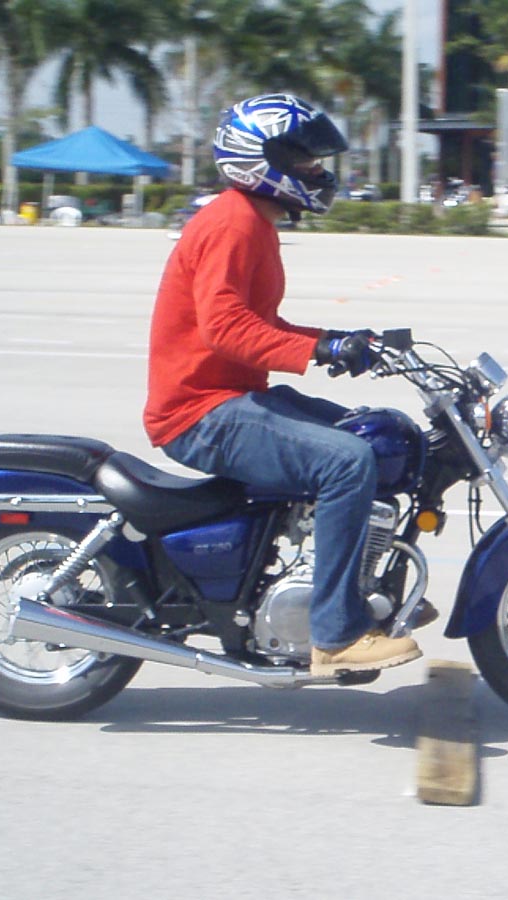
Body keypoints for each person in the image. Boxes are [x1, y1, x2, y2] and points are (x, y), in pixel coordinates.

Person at [143, 93, 422, 677]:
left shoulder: (252, 222)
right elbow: (224, 328)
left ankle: (362, 585)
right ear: (261, 161)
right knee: (347, 462)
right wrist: (318, 349)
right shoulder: (233, 223)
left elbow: (259, 324)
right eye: (303, 160)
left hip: (234, 395)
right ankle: (336, 634)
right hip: (201, 411)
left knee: (367, 433)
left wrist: (339, 340)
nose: (316, 171)